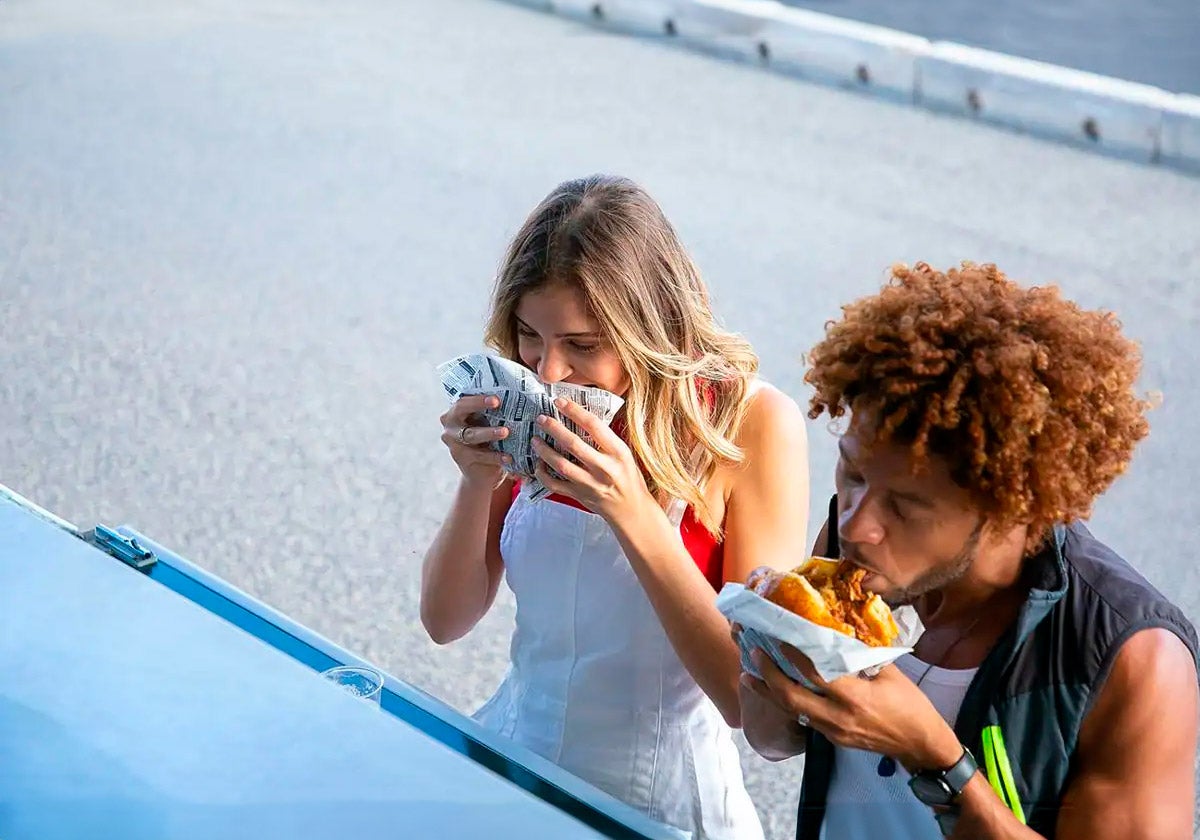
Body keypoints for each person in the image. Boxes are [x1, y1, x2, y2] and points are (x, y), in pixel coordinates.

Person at [739, 261, 1199, 839]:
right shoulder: (859, 548)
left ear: (1009, 507)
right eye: (851, 473)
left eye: (906, 507)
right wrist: (771, 677)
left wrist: (936, 759)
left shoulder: (1133, 660)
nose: (857, 524)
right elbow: (771, 740)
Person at [420, 175, 810, 839]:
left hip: (665, 813)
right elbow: (444, 620)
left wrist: (631, 510)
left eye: (583, 345)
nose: (547, 372)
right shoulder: (531, 404)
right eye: (528, 336)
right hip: (514, 776)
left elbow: (751, 701)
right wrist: (475, 480)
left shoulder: (752, 423)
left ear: (652, 327)